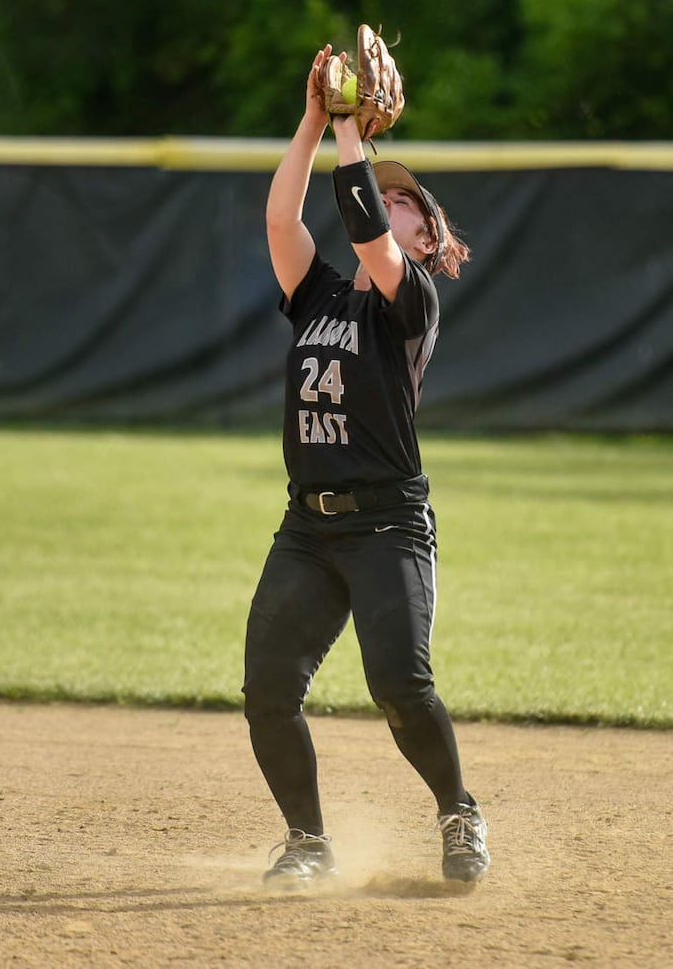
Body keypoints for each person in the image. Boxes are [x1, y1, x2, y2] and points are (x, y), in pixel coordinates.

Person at [242, 44, 489, 889]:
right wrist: (314, 121)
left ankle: (458, 811)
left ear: (426, 235)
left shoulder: (409, 299)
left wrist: (353, 133)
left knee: (398, 683)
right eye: (383, 197)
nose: (388, 206)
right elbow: (282, 224)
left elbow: (362, 232)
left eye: (404, 205)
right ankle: (306, 841)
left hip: (387, 523)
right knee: (267, 689)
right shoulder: (319, 296)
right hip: (308, 525)